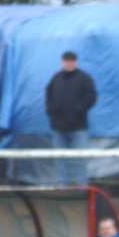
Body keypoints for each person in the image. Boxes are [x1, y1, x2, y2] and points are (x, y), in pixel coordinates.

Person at [46, 50, 97, 186]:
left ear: (76, 62)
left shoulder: (85, 78)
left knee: (80, 159)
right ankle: (63, 187)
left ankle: (82, 187)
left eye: (72, 61)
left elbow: (92, 97)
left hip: (78, 127)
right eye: (67, 61)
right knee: (60, 159)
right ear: (63, 62)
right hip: (58, 127)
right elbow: (48, 95)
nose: (69, 64)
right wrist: (51, 111)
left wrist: (79, 110)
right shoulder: (56, 78)